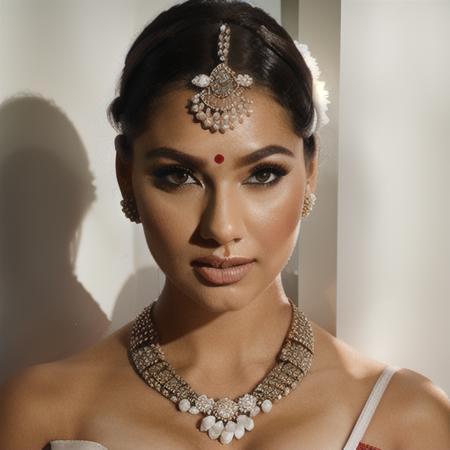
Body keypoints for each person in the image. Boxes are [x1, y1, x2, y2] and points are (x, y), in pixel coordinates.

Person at [1, 1, 449, 449]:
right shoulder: (43, 414)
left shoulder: (405, 419)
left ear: (309, 169)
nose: (221, 227)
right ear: (126, 175)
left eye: (262, 175)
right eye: (178, 176)